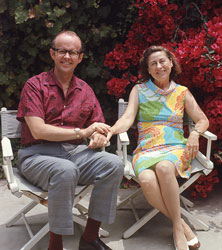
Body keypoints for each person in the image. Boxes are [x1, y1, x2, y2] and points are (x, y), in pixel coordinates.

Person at [17, 30, 124, 250]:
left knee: (113, 164)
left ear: (80, 57)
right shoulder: (35, 85)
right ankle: (55, 244)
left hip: (74, 155)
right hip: (36, 154)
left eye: (73, 52)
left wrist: (97, 137)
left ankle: (89, 238)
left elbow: (98, 126)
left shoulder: (85, 90)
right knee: (64, 170)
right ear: (52, 54)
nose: (67, 56)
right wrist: (83, 132)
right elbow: (38, 130)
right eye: (62, 51)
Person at [107, 45, 209, 250]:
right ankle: (179, 224)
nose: (159, 66)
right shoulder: (140, 90)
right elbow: (127, 119)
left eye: (162, 61)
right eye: (153, 63)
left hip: (176, 147)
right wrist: (111, 131)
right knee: (145, 178)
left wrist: (195, 134)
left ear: (171, 63)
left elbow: (202, 119)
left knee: (164, 168)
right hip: (146, 149)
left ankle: (178, 231)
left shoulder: (182, 92)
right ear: (148, 69)